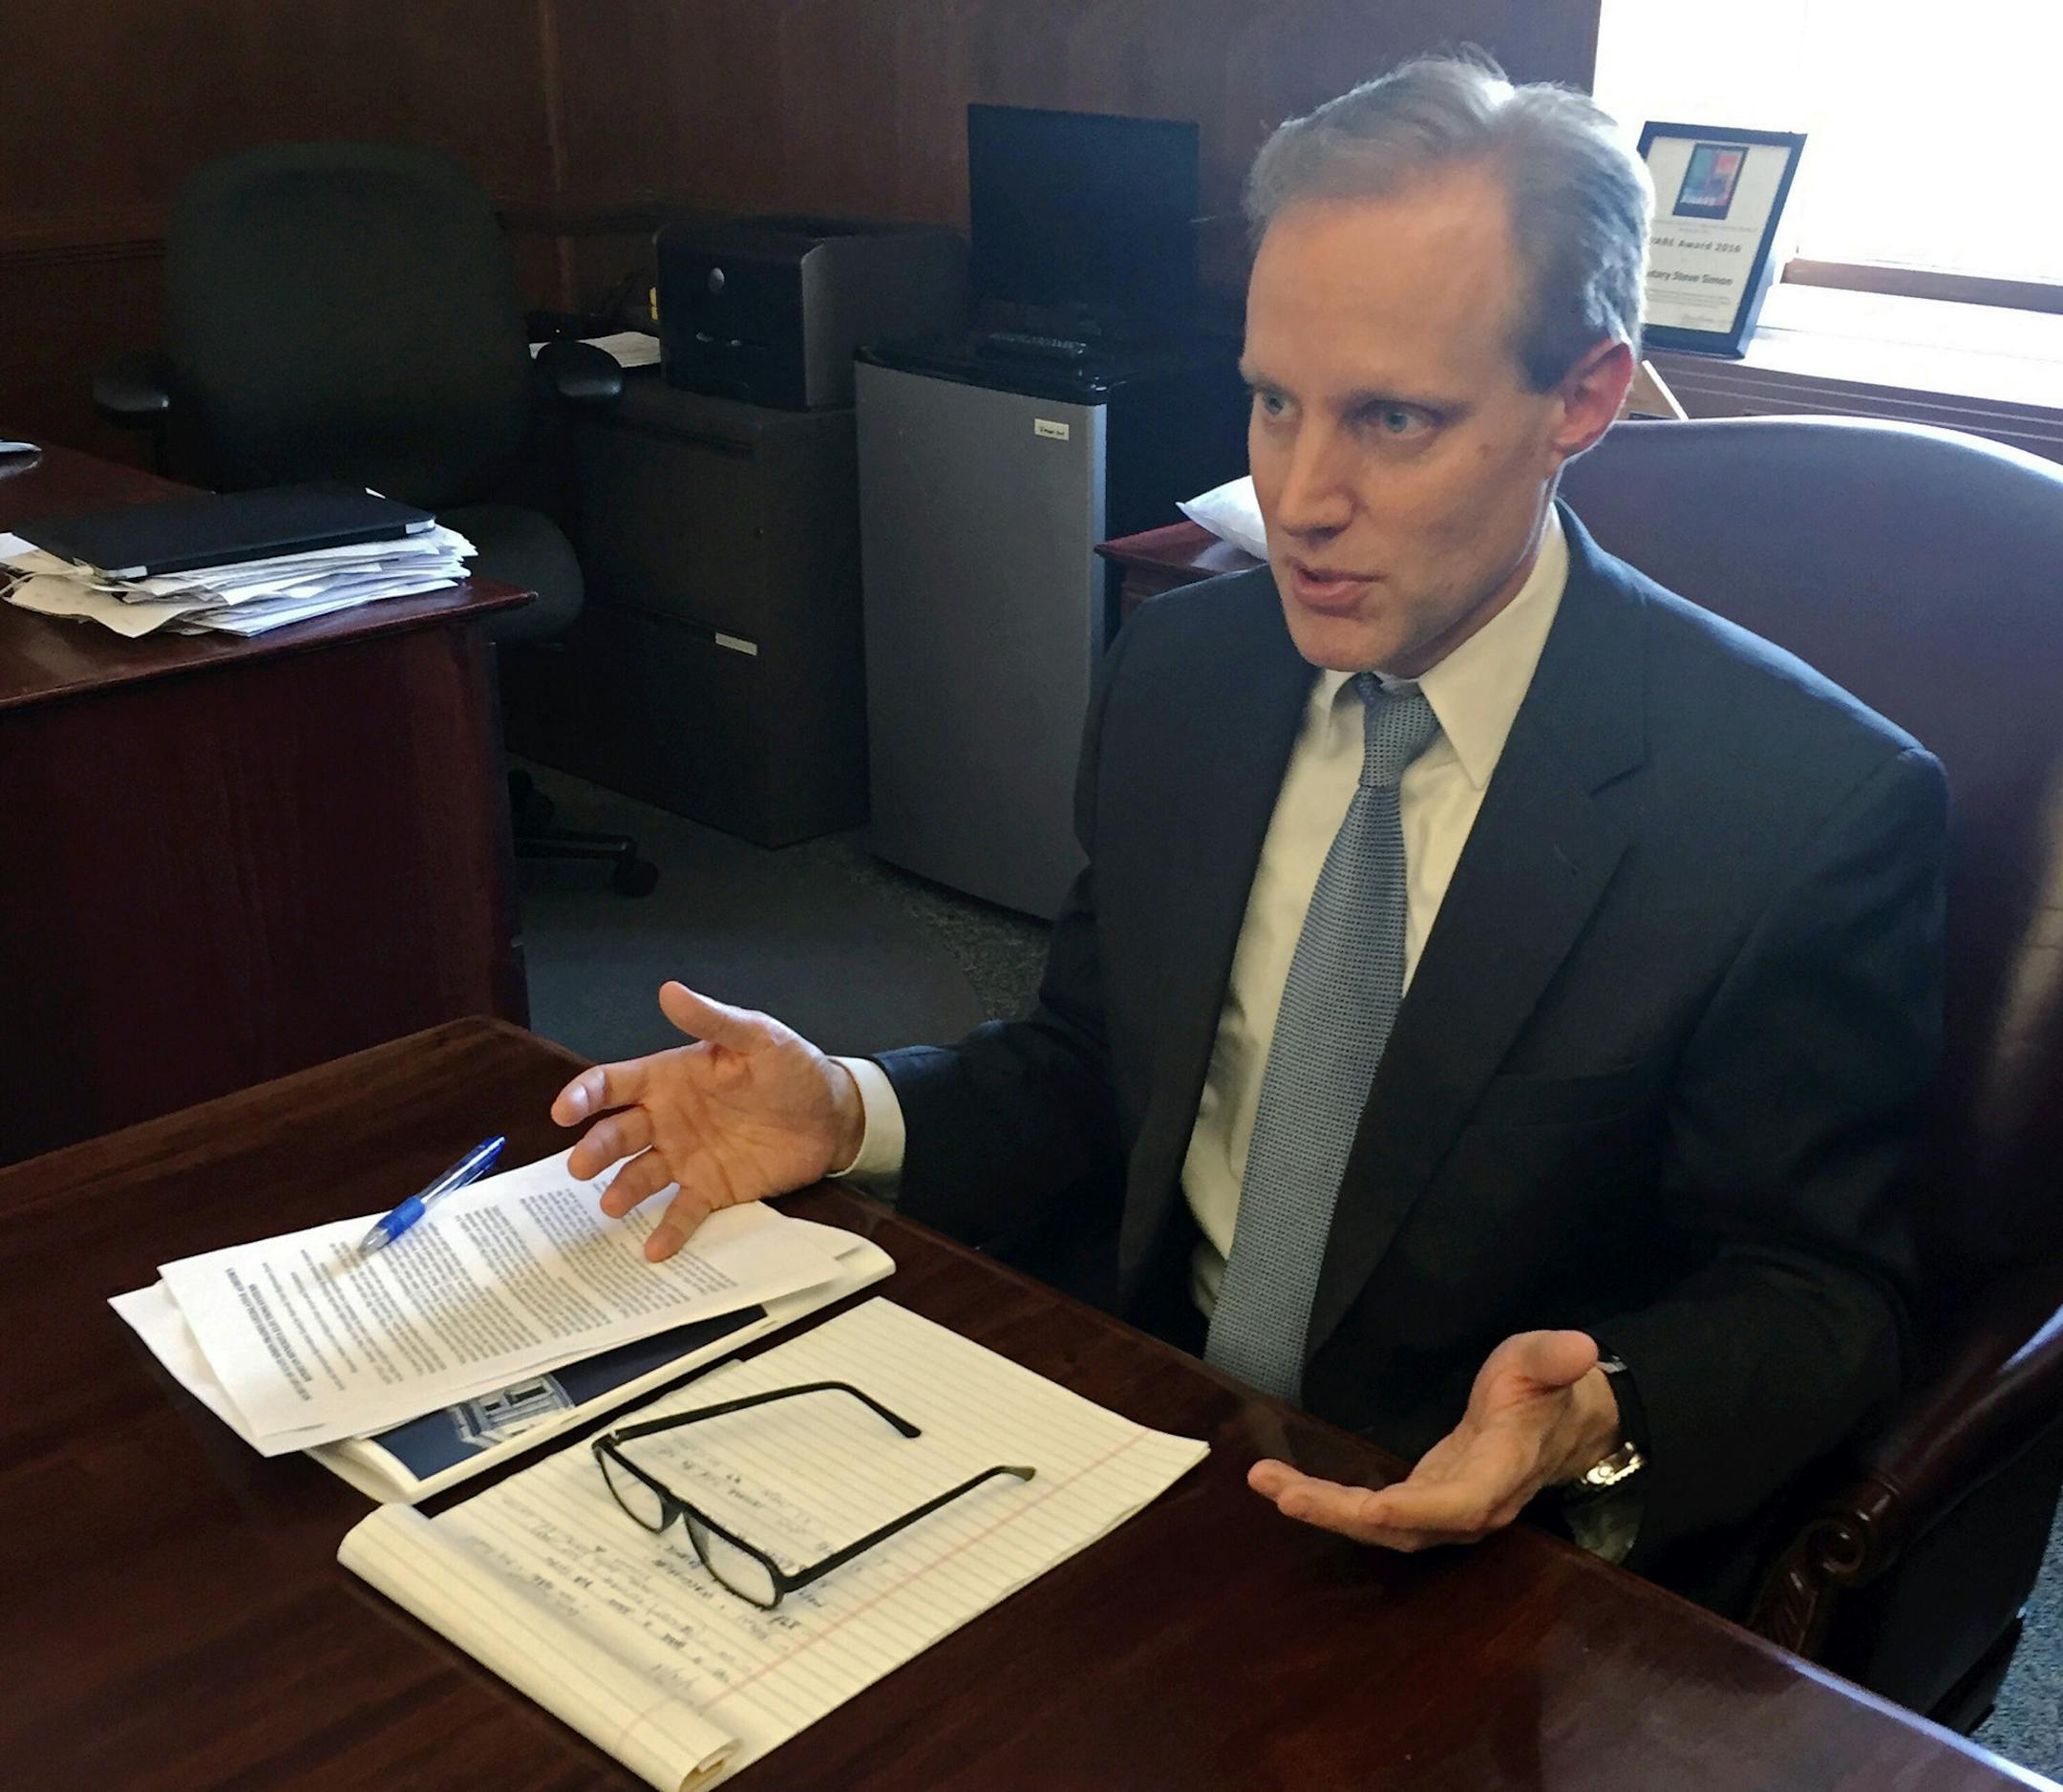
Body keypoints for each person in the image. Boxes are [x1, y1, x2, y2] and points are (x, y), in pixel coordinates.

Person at [550, 53, 1946, 1608]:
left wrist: (1598, 1419)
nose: (1299, 495)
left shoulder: (1802, 812)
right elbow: (1098, 1068)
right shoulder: (1184, 671)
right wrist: (851, 1110)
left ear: (1584, 400)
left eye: (1394, 419)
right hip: (1132, 1419)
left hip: (1468, 1533)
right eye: (1275, 401)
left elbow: (1823, 1297)